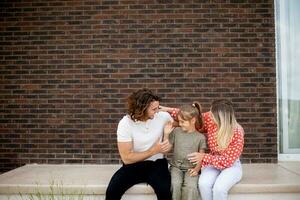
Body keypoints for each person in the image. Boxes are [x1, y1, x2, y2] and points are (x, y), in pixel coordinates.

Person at [161, 99, 244, 200]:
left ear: (221, 118)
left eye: (212, 114)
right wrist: (167, 109)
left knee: (219, 188)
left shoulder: (237, 132)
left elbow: (228, 161)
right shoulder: (211, 119)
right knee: (203, 184)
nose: (209, 115)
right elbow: (191, 115)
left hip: (231, 166)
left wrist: (204, 157)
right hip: (213, 163)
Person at [105, 89, 173, 200]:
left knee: (164, 191)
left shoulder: (163, 116)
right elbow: (127, 158)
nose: (157, 111)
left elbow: (189, 116)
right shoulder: (125, 123)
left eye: (158, 108)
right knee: (112, 191)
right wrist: (153, 150)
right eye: (153, 109)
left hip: (156, 164)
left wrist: (168, 110)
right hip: (133, 165)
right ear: (142, 109)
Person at [163, 102, 207, 200]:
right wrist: (166, 134)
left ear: (193, 120)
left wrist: (196, 170)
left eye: (183, 122)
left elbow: (201, 156)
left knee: (191, 187)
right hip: (176, 167)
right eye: (179, 121)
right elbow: (167, 149)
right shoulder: (176, 132)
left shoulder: (200, 137)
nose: (180, 124)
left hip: (191, 169)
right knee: (175, 184)